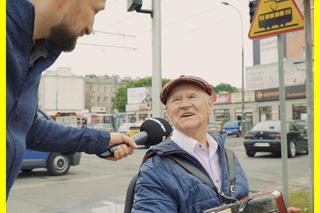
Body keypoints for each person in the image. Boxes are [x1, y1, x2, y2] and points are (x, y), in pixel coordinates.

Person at [6, 0, 137, 199]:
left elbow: (26, 127)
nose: (90, 27)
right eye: (94, 11)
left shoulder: (33, 54)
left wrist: (101, 140)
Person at [131, 75, 301, 213]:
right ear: (168, 113)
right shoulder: (155, 167)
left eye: (192, 96)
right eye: (176, 100)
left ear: (210, 106)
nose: (185, 104)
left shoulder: (228, 156)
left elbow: (241, 206)